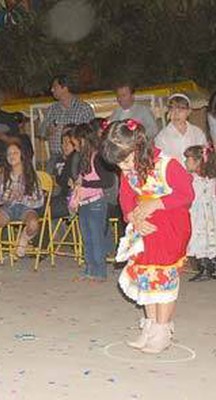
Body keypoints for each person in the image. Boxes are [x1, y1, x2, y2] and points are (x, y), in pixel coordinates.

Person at [102, 119, 194, 354]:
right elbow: (126, 198)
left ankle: (162, 330)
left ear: (138, 148)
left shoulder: (167, 165)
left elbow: (187, 194)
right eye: (118, 164)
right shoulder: (128, 170)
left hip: (169, 230)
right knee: (146, 279)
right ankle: (150, 326)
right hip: (144, 230)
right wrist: (133, 217)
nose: (123, 168)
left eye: (124, 160)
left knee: (163, 279)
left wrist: (157, 202)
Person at [0, 140, 44, 274]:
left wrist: (23, 197)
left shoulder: (31, 175)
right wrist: (6, 196)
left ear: (22, 155)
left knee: (33, 224)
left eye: (15, 153)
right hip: (7, 207)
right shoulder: (3, 174)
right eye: (9, 154)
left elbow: (40, 200)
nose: (12, 156)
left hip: (26, 208)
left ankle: (24, 238)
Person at [70, 123, 114, 282]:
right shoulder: (84, 157)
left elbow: (108, 181)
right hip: (84, 202)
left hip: (96, 203)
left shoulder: (97, 157)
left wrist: (85, 184)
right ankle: (90, 269)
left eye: (75, 143)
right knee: (87, 237)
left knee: (96, 237)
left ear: (83, 140)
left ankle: (100, 272)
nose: (75, 148)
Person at [40, 75, 94, 173]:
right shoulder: (52, 109)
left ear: (64, 88)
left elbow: (90, 136)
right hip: (56, 157)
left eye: (54, 87)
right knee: (48, 182)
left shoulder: (83, 109)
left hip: (77, 157)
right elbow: (41, 133)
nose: (52, 90)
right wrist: (48, 131)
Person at [183, 145, 216, 281]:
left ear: (197, 162)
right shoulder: (193, 178)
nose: (185, 162)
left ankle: (208, 266)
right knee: (201, 237)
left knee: (205, 237)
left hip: (204, 213)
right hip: (199, 212)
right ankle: (206, 265)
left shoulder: (201, 179)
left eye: (188, 159)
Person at [155, 93, 207, 163]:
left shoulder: (197, 133)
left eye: (180, 111)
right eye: (172, 110)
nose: (176, 114)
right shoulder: (162, 137)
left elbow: (204, 156)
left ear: (188, 112)